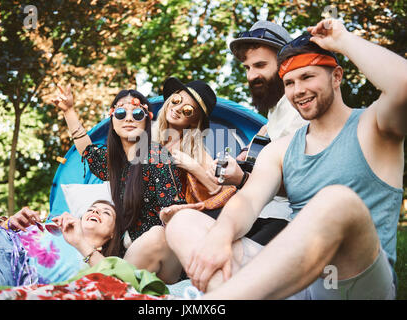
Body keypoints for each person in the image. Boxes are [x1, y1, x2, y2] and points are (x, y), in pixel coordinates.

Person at [166, 18, 406, 299]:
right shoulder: (281, 148)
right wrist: (221, 235)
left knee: (336, 200)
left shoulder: (374, 126)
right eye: (289, 82)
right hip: (299, 282)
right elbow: (247, 200)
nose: (298, 90)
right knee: (183, 224)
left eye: (307, 77)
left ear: (337, 76)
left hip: (357, 281)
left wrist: (343, 40)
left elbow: (403, 85)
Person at [52, 86, 196, 283]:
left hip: (163, 256)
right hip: (127, 258)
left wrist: (170, 216)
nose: (129, 118)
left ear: (147, 119)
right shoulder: (113, 162)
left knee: (157, 234)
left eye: (137, 113)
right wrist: (68, 110)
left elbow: (174, 211)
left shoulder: (156, 155)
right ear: (112, 119)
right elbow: (86, 149)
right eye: (120, 113)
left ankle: (113, 282)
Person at [208, 20, 309, 245]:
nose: (251, 76)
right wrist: (243, 156)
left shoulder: (302, 112)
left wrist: (242, 178)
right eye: (247, 68)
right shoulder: (274, 113)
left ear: (286, 65)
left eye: (260, 65)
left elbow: (301, 185)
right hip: (257, 214)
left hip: (288, 222)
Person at [0, 200, 121, 293]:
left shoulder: (99, 263)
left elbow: (116, 282)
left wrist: (81, 242)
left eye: (106, 212)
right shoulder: (54, 227)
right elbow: (7, 226)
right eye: (91, 209)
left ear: (112, 233)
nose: (95, 212)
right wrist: (9, 222)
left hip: (5, 270)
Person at [152, 77, 236, 219]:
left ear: (194, 122)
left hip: (174, 219)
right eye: (177, 100)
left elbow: (222, 192)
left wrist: (193, 167)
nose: (177, 109)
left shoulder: (195, 152)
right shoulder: (146, 137)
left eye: (188, 110)